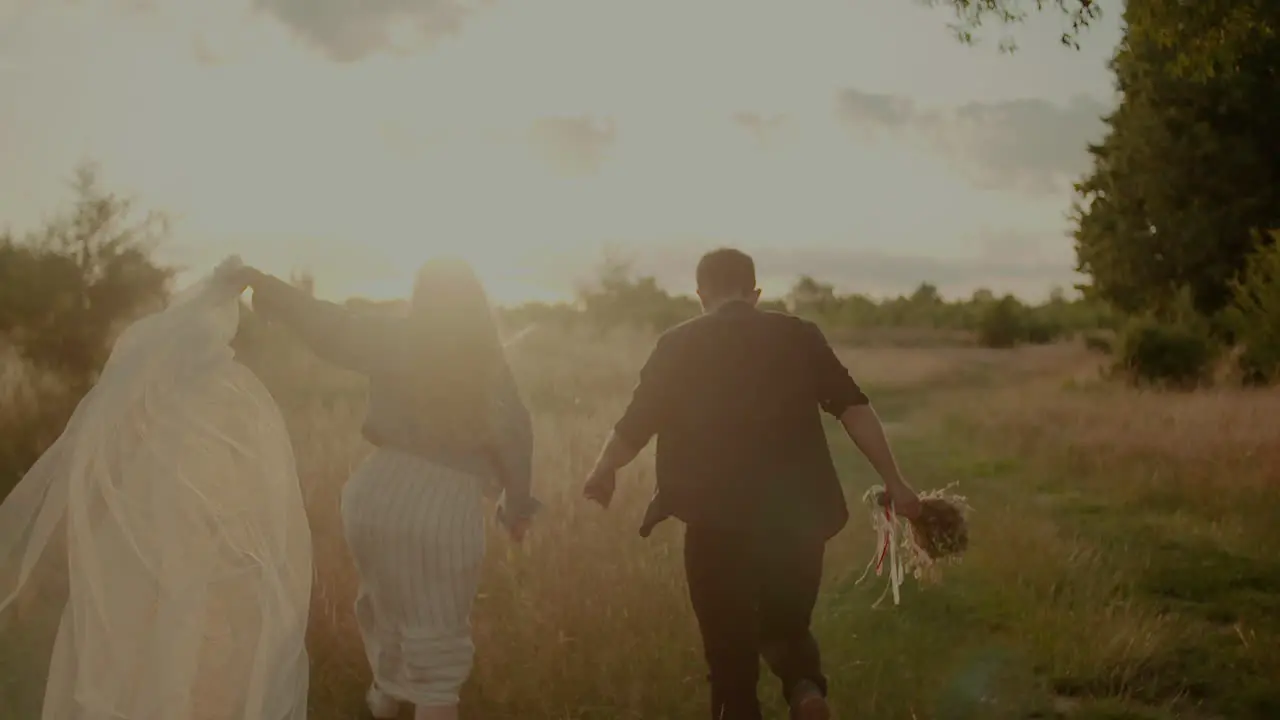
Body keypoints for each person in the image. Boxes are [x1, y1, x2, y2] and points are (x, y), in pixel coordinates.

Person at [582, 248, 922, 720]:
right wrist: (896, 482)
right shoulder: (799, 335)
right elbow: (853, 408)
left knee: (728, 652)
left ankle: (740, 706)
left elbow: (635, 424)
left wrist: (603, 470)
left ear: (701, 295)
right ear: (755, 293)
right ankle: (805, 690)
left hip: (716, 524)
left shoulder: (677, 344)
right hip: (799, 518)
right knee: (788, 626)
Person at [0, 257, 312, 720]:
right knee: (180, 663)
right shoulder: (232, 401)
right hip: (189, 564)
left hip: (170, 563)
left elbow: (106, 477)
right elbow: (261, 494)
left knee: (158, 661)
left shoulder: (155, 405)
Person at [238, 257, 539, 720]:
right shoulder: (485, 358)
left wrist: (267, 287)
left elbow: (328, 324)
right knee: (438, 655)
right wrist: (516, 505)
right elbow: (514, 432)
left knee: (390, 616)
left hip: (374, 492)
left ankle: (383, 705)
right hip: (441, 502)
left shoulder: (394, 337)